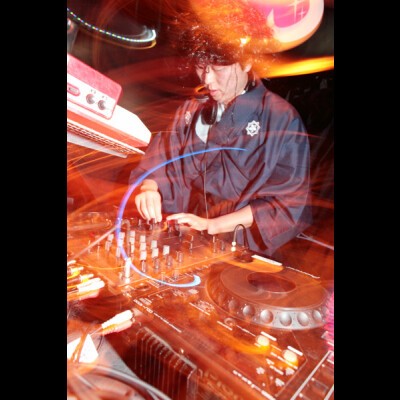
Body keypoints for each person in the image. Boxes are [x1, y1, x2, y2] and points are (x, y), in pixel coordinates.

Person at [128, 0, 312, 257]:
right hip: (188, 234)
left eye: (217, 69)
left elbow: (285, 202)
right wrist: (149, 188)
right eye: (201, 67)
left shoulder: (281, 119)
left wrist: (212, 225)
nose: (207, 80)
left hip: (242, 246)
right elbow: (163, 159)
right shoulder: (191, 109)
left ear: (247, 62)